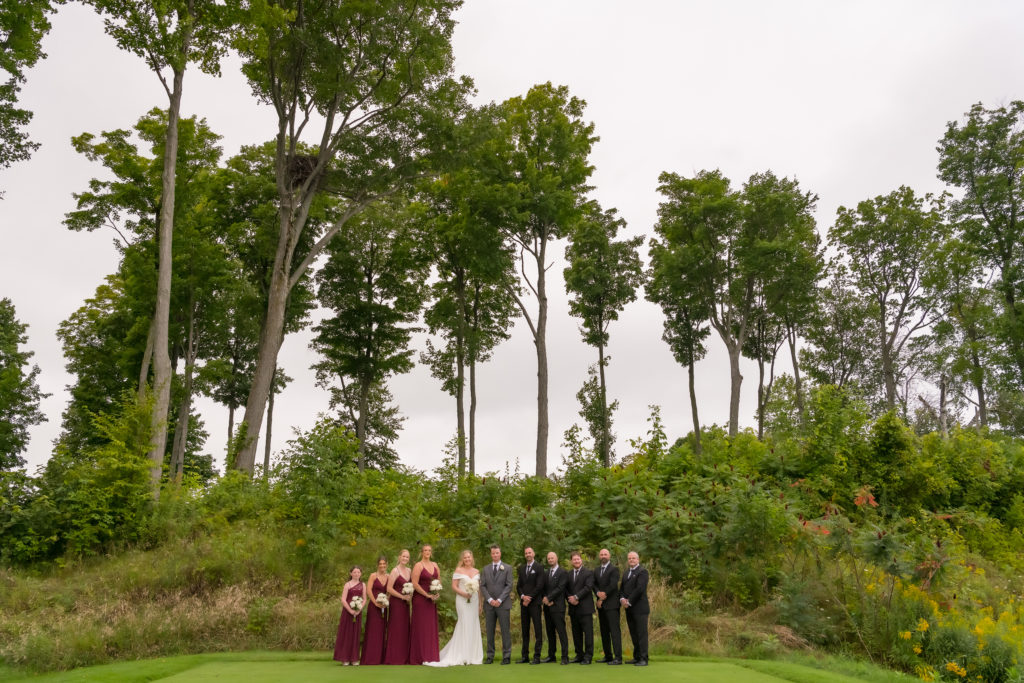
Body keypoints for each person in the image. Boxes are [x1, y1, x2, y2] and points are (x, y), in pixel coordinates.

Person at [426, 550, 484, 666]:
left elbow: (479, 589)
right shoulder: (459, 570)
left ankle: (473, 655)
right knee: (464, 623)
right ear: (462, 559)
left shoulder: (477, 571)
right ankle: (461, 654)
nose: (467, 559)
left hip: (474, 601)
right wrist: (464, 594)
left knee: (473, 624)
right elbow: (454, 587)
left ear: (472, 558)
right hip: (462, 600)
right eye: (465, 558)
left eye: (469, 557)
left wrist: (480, 604)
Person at [480, 544, 514, 664]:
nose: (495, 555)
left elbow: (509, 585)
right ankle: (490, 656)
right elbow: (482, 585)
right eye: (493, 553)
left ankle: (506, 656)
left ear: (500, 554)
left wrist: (499, 600)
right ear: (491, 554)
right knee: (490, 631)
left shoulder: (508, 568)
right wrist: (489, 599)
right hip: (489, 605)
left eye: (497, 553)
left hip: (503, 604)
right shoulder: (485, 569)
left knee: (505, 630)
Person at [409, 544, 441, 664]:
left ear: (431, 552)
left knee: (430, 628)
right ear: (422, 552)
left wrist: (436, 593)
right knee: (421, 628)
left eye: (429, 550)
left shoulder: (435, 565)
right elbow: (415, 583)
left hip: (432, 600)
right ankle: (420, 656)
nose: (427, 552)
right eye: (425, 550)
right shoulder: (418, 565)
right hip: (420, 600)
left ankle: (431, 655)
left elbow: (438, 581)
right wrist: (426, 595)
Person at [619, 551, 649, 666]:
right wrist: (622, 599)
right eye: (629, 558)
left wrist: (629, 601)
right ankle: (636, 657)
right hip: (629, 609)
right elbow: (622, 589)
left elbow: (639, 589)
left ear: (638, 559)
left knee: (641, 634)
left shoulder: (642, 572)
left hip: (640, 608)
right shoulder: (626, 573)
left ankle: (644, 658)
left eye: (633, 558)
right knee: (634, 633)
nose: (631, 560)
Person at [383, 549, 412, 665]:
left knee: (404, 629)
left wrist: (409, 595)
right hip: (396, 603)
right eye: (403, 556)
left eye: (407, 557)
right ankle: (393, 657)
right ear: (399, 557)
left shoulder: (410, 570)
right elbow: (389, 589)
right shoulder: (395, 571)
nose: (405, 558)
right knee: (396, 629)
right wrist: (402, 597)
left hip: (406, 604)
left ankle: (404, 657)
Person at [593, 548, 622, 665]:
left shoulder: (614, 569)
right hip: (601, 606)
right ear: (599, 557)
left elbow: (613, 585)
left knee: (614, 631)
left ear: (609, 556)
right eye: (601, 554)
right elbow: (593, 584)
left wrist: (601, 597)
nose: (603, 556)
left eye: (605, 554)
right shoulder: (596, 570)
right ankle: (608, 656)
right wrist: (596, 593)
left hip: (612, 605)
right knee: (604, 631)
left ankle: (618, 657)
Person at [516, 546, 545, 664]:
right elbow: (519, 586)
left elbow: (540, 585)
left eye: (529, 552)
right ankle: (525, 656)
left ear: (533, 554)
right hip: (524, 604)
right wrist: (523, 597)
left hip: (535, 603)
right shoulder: (521, 568)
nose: (528, 554)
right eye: (526, 553)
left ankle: (537, 656)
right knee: (525, 630)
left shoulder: (539, 567)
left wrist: (530, 598)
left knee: (538, 629)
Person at [540, 551, 569, 665]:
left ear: (556, 559)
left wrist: (549, 598)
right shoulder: (546, 573)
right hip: (547, 607)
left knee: (561, 632)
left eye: (552, 558)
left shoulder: (563, 572)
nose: (550, 560)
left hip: (558, 607)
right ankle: (551, 655)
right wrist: (545, 599)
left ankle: (564, 657)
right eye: (549, 558)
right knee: (550, 632)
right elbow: (542, 588)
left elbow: (560, 588)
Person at [333, 566, 366, 665]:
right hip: (347, 613)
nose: (356, 574)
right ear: (351, 573)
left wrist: (359, 609)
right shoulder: (347, 584)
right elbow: (343, 599)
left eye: (358, 572)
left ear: (360, 574)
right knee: (346, 634)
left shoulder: (363, 585)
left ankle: (354, 658)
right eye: (354, 572)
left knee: (355, 634)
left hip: (358, 613)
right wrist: (350, 610)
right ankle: (345, 658)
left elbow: (364, 599)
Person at [360, 555, 389, 665]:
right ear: (377, 565)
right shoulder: (373, 575)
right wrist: (375, 603)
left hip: (384, 607)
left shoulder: (389, 576)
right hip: (374, 607)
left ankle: (380, 658)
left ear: (387, 564)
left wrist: (386, 601)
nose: (382, 565)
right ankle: (370, 658)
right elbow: (368, 590)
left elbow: (389, 591)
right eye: (380, 564)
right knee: (373, 631)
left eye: (384, 564)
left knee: (382, 631)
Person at [566, 551, 595, 664]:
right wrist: (570, 598)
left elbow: (588, 587)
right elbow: (565, 589)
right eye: (574, 559)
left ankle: (588, 656)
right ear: (571, 561)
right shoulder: (568, 574)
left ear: (581, 560)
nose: (576, 561)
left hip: (585, 608)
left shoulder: (588, 573)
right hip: (573, 608)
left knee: (588, 633)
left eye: (578, 559)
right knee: (576, 633)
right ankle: (579, 655)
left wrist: (576, 597)